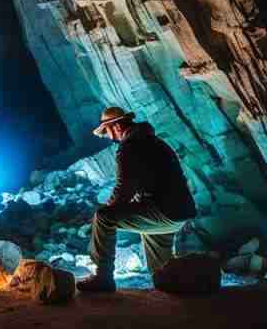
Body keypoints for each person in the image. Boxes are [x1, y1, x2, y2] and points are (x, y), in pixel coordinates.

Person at [77, 107, 198, 292]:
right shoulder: (156, 142)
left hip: (162, 211)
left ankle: (103, 277)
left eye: (108, 132)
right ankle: (178, 280)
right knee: (162, 274)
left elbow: (123, 189)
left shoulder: (129, 146)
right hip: (180, 212)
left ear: (116, 127)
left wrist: (107, 210)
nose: (111, 138)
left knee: (103, 217)